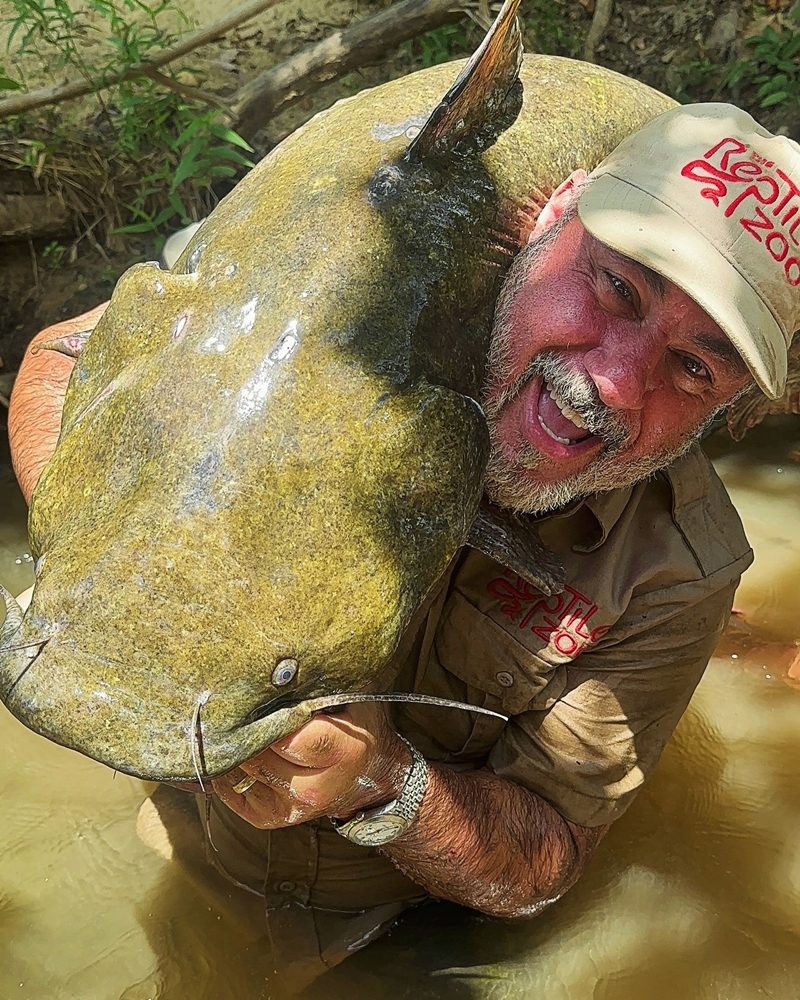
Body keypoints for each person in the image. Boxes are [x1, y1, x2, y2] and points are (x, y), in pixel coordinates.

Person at [8, 102, 800, 994]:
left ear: (734, 411)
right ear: (556, 212)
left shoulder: (678, 568)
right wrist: (114, 562)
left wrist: (381, 783)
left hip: (396, 926)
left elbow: (547, 853)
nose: (611, 383)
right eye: (616, 289)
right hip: (185, 832)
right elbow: (65, 358)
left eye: (694, 368)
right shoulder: (355, 300)